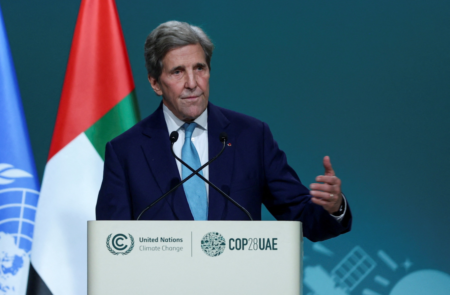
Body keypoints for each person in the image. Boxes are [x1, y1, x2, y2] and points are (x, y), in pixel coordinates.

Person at [96, 21, 352, 242]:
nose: (192, 83)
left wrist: (333, 207)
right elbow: (113, 243)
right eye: (177, 72)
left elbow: (302, 217)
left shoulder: (251, 136)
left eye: (199, 68)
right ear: (155, 83)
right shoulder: (125, 151)